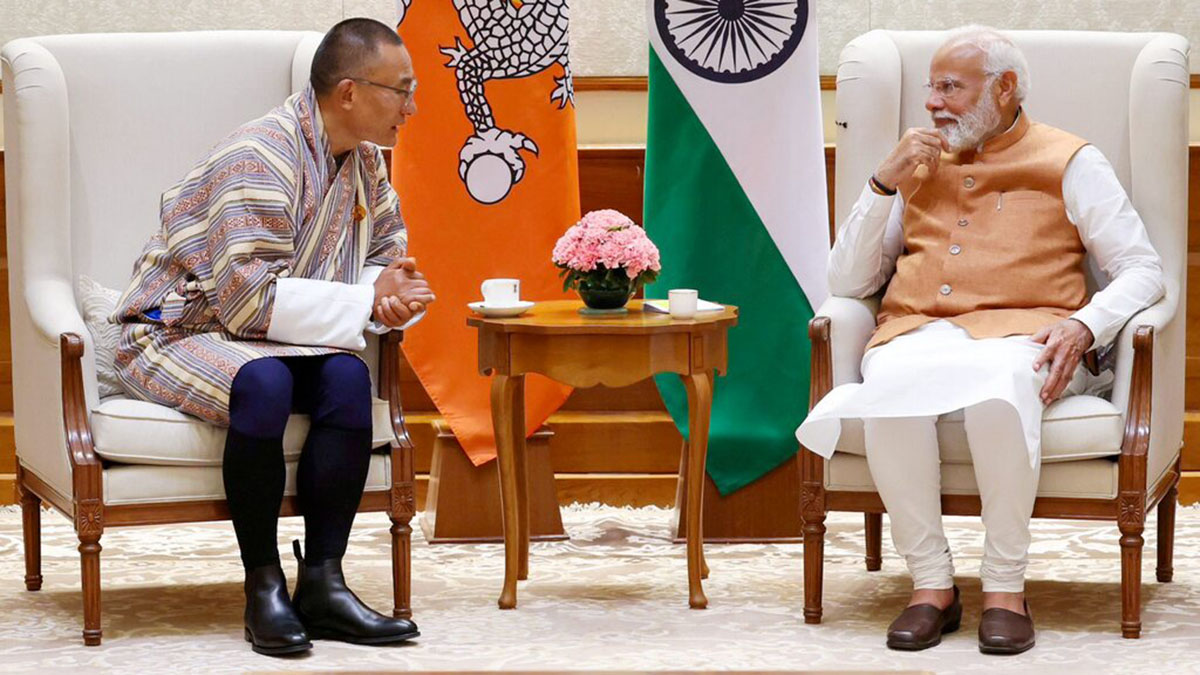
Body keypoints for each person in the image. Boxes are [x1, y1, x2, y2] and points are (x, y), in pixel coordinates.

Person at [796, 26, 1164, 655]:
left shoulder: (1071, 159)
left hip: (1025, 337)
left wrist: (1084, 325)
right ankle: (932, 587)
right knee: (892, 389)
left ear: (1005, 88)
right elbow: (849, 281)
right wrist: (883, 184)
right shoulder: (912, 165)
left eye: (950, 88)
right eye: (930, 88)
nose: (934, 103)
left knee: (1000, 391)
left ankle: (1004, 588)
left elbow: (1143, 268)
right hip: (918, 331)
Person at [112, 18, 432, 656]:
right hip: (173, 328)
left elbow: (388, 251)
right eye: (402, 89)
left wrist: (386, 296)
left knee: (346, 378)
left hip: (268, 333)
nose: (411, 106)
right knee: (262, 382)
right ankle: (263, 585)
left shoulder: (366, 162)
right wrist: (363, 299)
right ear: (348, 92)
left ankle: (323, 583)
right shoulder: (259, 156)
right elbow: (245, 300)